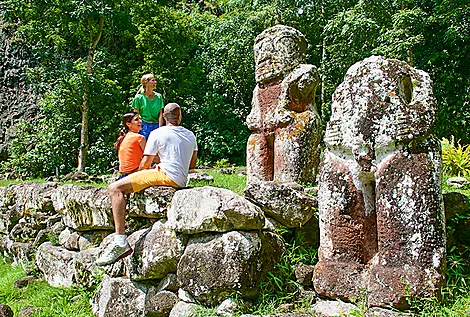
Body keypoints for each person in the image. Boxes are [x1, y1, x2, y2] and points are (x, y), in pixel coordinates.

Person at [96, 103, 198, 266]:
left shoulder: (157, 133)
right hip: (181, 179)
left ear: (164, 117)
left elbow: (144, 164)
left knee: (114, 188)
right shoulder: (191, 135)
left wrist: (142, 173)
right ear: (180, 116)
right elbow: (191, 165)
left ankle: (120, 241)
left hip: (165, 176)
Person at [132, 73, 164, 139]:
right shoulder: (139, 98)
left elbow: (161, 114)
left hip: (156, 126)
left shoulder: (159, 97)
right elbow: (136, 116)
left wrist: (160, 128)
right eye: (153, 80)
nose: (155, 82)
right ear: (146, 83)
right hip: (143, 126)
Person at [114, 112, 146, 179]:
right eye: (136, 120)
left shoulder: (123, 138)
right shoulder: (139, 138)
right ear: (128, 124)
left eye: (140, 119)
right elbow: (150, 156)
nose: (140, 121)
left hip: (122, 176)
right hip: (134, 175)